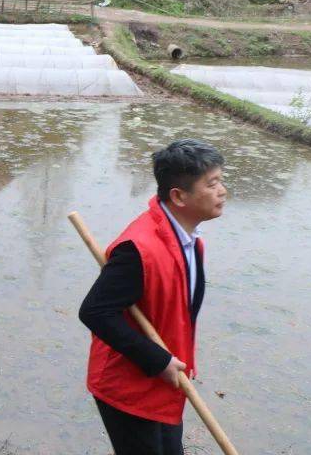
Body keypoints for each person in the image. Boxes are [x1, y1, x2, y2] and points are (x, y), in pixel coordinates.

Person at [78, 139, 228, 455]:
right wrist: (158, 360)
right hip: (129, 387)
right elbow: (95, 312)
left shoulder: (188, 241)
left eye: (221, 181)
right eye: (212, 184)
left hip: (167, 380)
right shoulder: (138, 250)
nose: (222, 190)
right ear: (179, 196)